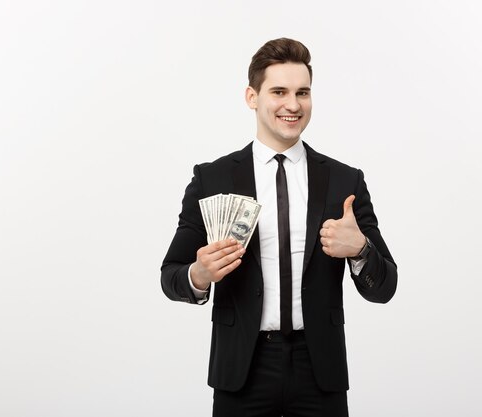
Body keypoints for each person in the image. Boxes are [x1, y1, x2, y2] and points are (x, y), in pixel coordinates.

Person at [161, 38, 397, 417]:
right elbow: (170, 276)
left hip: (320, 370)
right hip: (242, 368)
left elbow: (386, 287)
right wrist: (199, 274)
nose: (293, 104)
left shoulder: (344, 182)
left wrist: (361, 251)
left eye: (302, 92)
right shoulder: (212, 178)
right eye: (279, 91)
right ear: (252, 97)